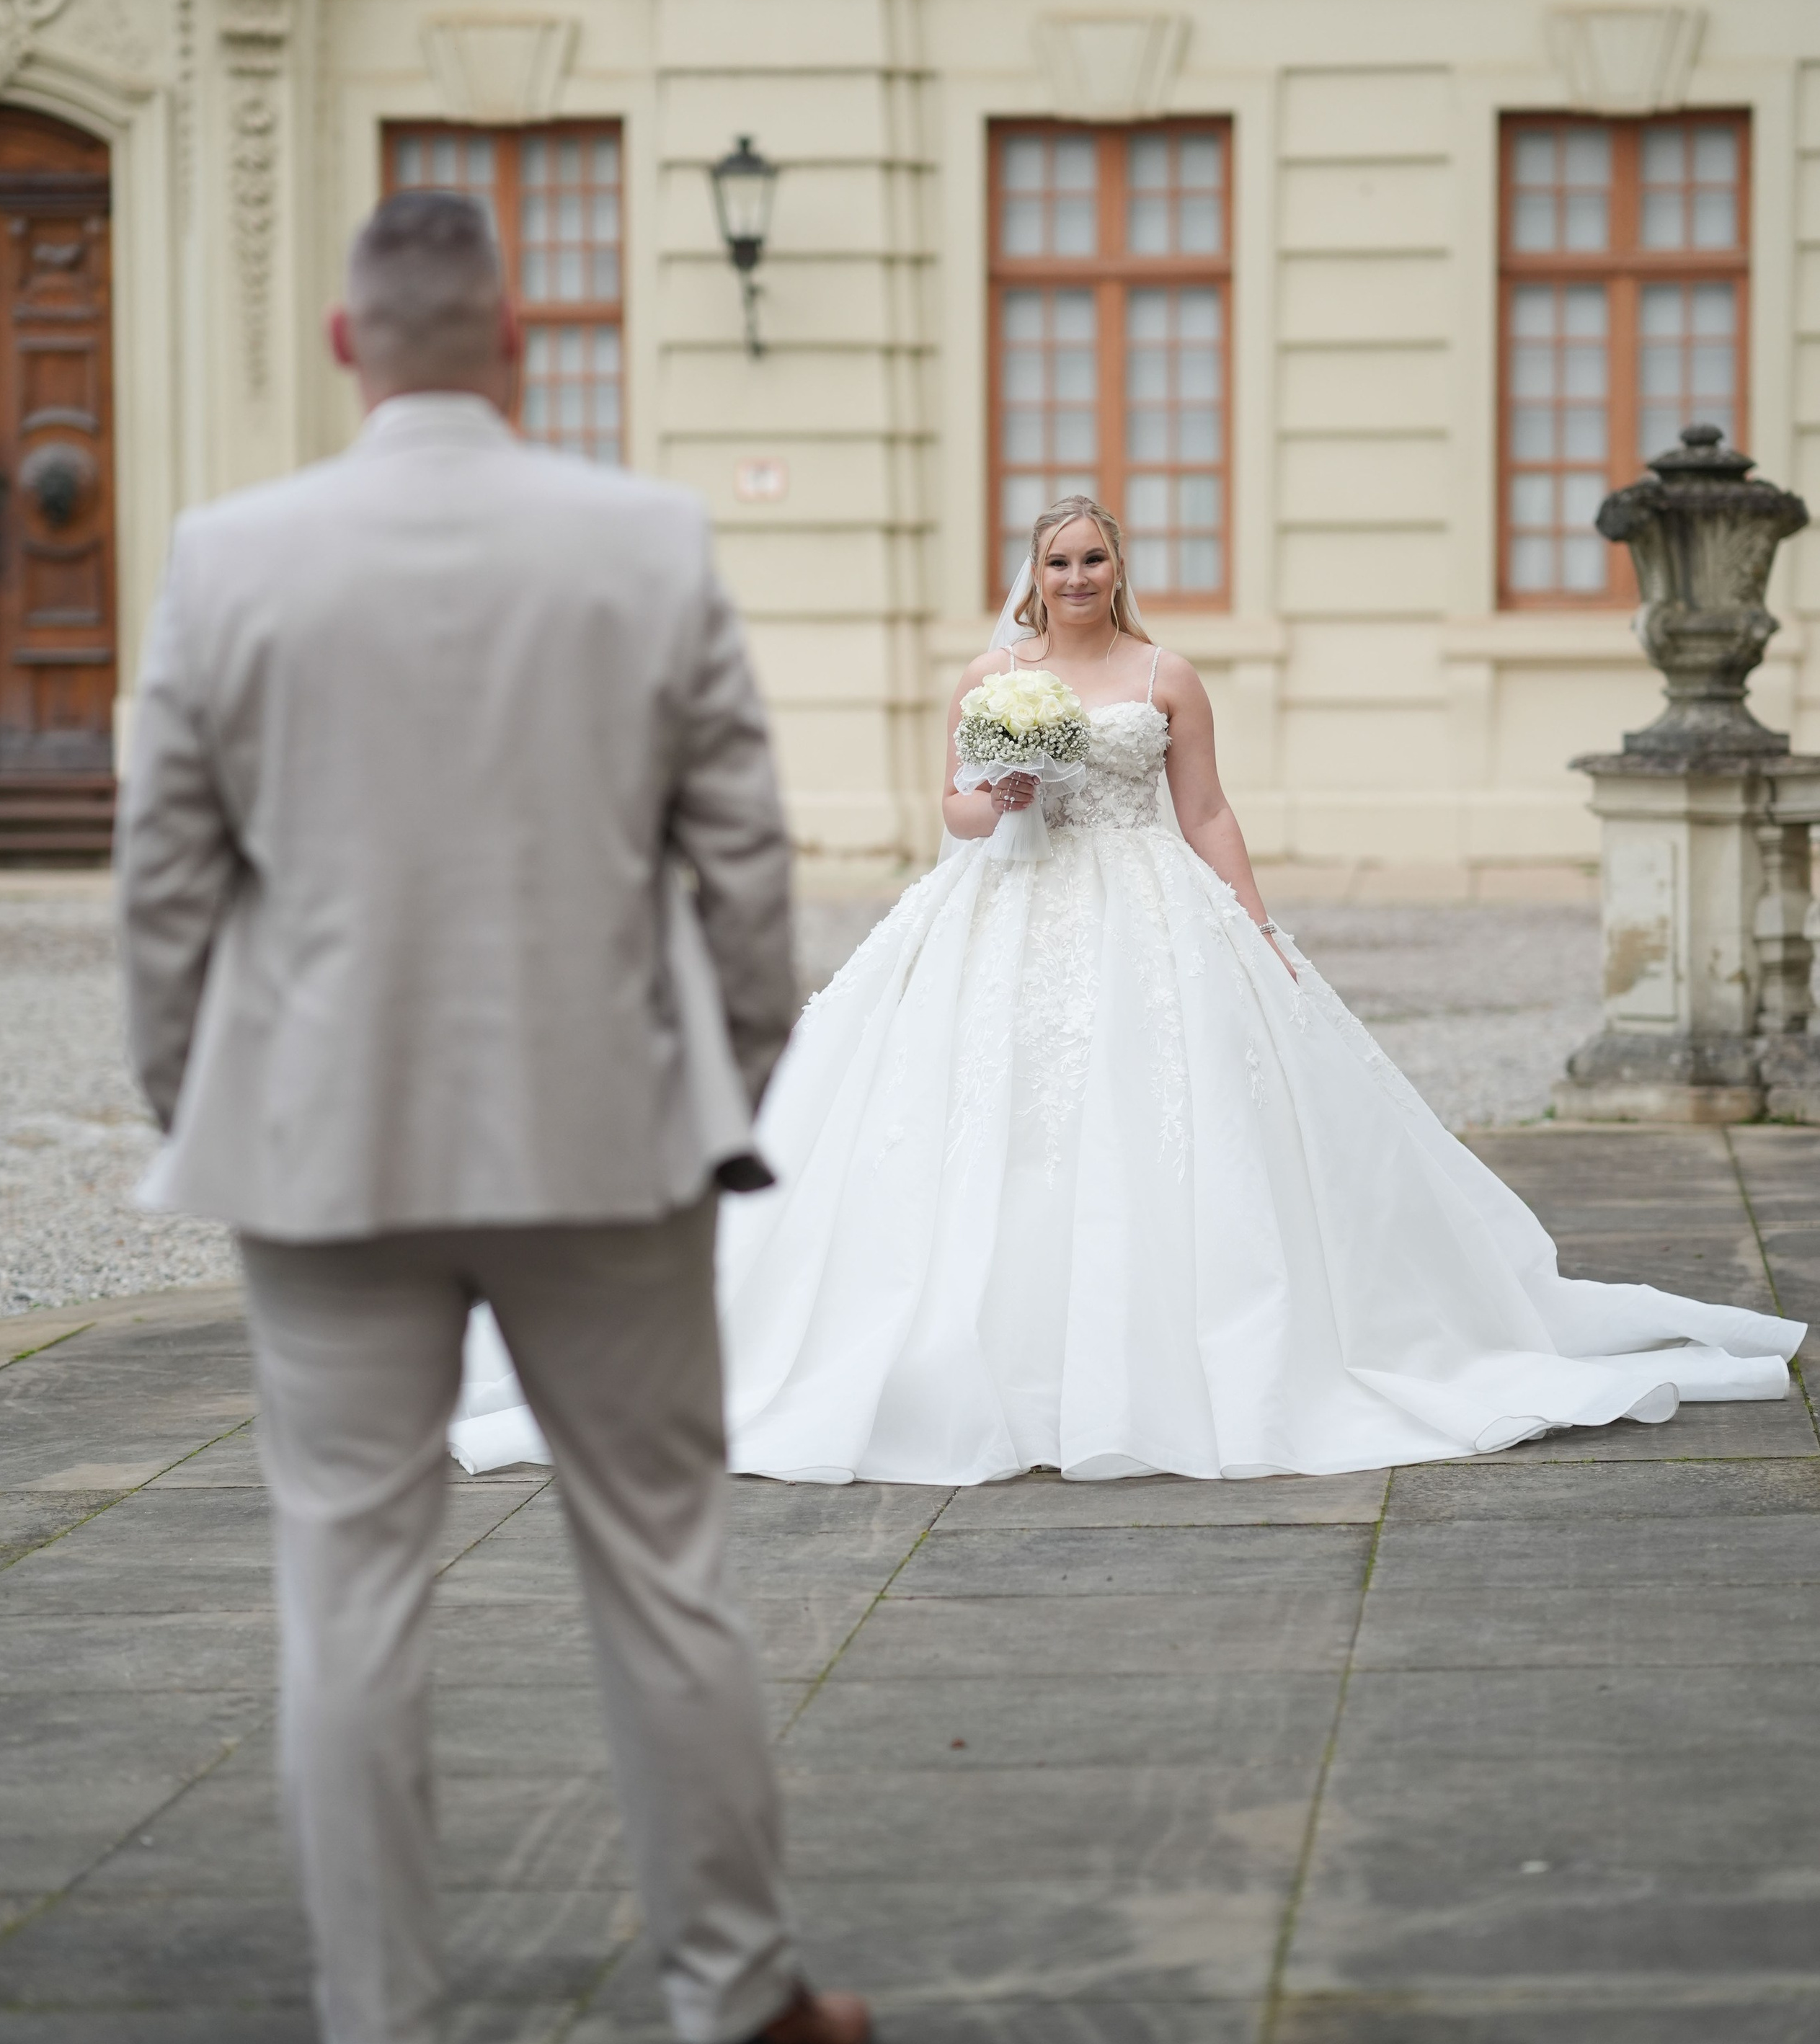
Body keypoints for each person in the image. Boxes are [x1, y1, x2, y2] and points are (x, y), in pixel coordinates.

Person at [115, 189, 871, 2044]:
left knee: (345, 1585)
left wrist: (208, 1090)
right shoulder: (644, 541)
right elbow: (745, 860)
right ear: (514, 341)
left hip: (321, 1143)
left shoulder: (226, 557)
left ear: (352, 348)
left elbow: (167, 881)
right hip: (606, 1132)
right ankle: (732, 1995)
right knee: (665, 1567)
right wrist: (727, 1078)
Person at [709, 493, 1803, 1484]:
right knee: (1002, 1122)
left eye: (1093, 559)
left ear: (1118, 568)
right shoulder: (990, 680)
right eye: (1058, 563)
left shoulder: (1163, 676)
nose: (1077, 578)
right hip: (1011, 900)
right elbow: (948, 813)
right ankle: (988, 1357)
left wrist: (1257, 922)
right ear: (1032, 575)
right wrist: (999, 794)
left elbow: (1209, 812)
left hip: (1144, 905)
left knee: (1156, 1120)